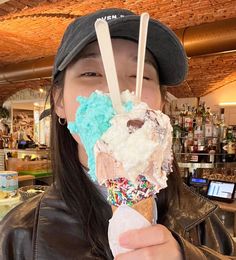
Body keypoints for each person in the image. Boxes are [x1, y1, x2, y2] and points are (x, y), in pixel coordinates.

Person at [0, 8, 235, 260]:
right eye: (91, 73)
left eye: (140, 76)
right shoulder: (18, 235)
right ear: (59, 102)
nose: (119, 93)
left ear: (161, 104)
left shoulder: (203, 221)